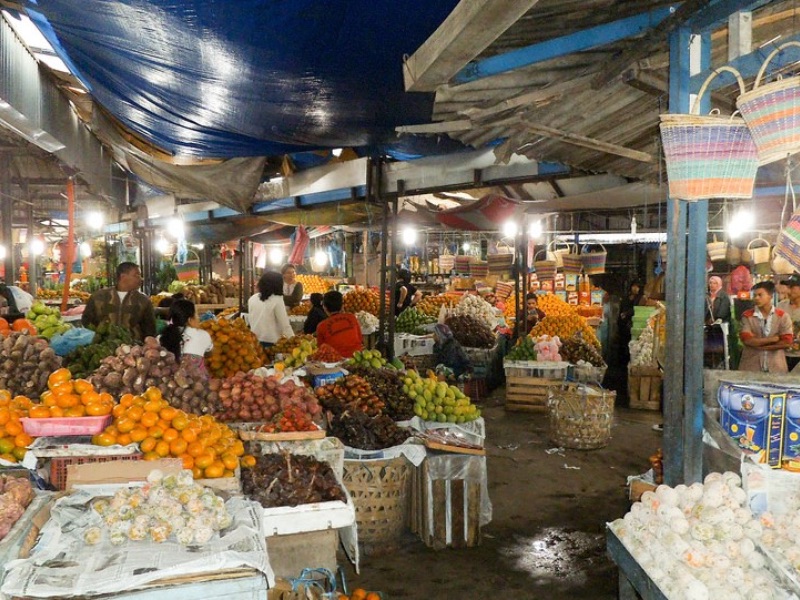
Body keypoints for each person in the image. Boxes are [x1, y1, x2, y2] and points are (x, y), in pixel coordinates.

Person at [81, 262, 156, 341]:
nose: (141, 279)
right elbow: (87, 322)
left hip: (133, 349)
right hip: (103, 349)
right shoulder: (98, 297)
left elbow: (150, 329)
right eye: (136, 275)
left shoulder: (143, 300)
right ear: (123, 277)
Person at [738, 281, 793, 373]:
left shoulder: (782, 316)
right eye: (754, 295)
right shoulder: (747, 315)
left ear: (770, 296)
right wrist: (774, 339)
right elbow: (747, 340)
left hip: (776, 367)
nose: (756, 298)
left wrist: (761, 345)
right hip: (751, 367)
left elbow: (787, 342)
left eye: (760, 295)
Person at [159, 299, 213, 373]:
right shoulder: (203, 335)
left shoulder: (160, 337)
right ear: (190, 320)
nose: (198, 318)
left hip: (168, 381)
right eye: (196, 315)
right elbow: (209, 353)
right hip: (197, 381)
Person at [248, 271, 293, 347]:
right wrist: (293, 339)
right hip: (271, 342)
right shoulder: (277, 299)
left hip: (254, 341)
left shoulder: (252, 298)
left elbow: (250, 319)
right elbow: (284, 324)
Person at [316, 290, 363, 358]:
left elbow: (321, 350)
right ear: (342, 306)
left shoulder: (321, 326)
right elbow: (360, 338)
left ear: (325, 307)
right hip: (357, 359)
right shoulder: (351, 317)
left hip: (336, 362)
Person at [778, 275, 800, 371]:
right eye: (788, 287)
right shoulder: (781, 306)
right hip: (782, 355)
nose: (788, 291)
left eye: (792, 287)